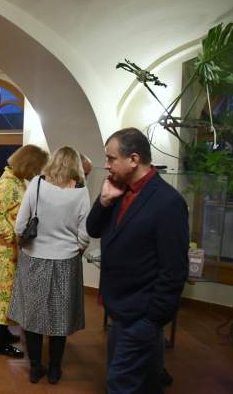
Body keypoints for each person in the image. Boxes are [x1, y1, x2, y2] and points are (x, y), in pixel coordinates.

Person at [86, 128, 189, 394]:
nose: (106, 165)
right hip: (120, 308)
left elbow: (174, 269)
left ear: (133, 159)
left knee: (120, 383)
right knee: (147, 382)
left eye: (111, 158)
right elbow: (93, 229)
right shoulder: (118, 189)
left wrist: (153, 318)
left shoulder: (167, 202)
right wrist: (104, 201)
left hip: (142, 313)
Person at [9, 146, 90, 385]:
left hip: (34, 257)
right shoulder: (81, 193)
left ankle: (36, 367)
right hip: (66, 261)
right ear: (76, 165)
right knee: (59, 317)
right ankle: (55, 369)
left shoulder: (36, 184)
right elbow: (85, 234)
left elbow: (20, 225)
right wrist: (74, 248)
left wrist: (26, 244)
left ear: (53, 162)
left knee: (33, 315)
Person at [0, 145, 48, 358]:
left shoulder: (16, 181)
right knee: (4, 294)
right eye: (36, 167)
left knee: (7, 294)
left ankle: (1, 332)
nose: (37, 172)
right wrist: (14, 237)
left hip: (10, 251)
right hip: (6, 251)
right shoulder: (9, 184)